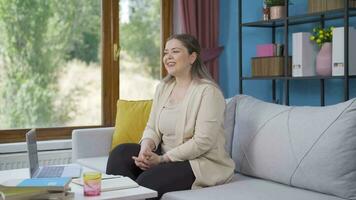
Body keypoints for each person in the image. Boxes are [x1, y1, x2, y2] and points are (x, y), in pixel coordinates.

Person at [106, 34, 235, 199]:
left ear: (192, 57)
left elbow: (203, 142)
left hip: (199, 162)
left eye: (175, 51)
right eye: (166, 52)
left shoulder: (208, 92)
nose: (168, 57)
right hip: (164, 155)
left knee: (147, 182)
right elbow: (152, 127)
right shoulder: (163, 87)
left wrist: (162, 159)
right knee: (120, 153)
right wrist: (146, 148)